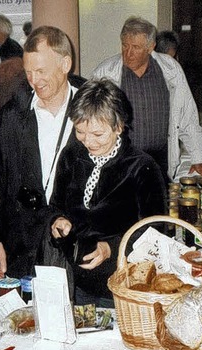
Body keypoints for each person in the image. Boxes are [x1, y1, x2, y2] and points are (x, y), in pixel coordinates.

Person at [49, 78, 167, 306]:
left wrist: (110, 248)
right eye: (80, 132)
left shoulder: (142, 167)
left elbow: (154, 230)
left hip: (121, 284)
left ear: (119, 126)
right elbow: (55, 205)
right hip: (73, 279)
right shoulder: (71, 156)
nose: (88, 142)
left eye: (98, 134)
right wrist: (57, 220)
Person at [0, 26, 86, 280]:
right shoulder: (10, 117)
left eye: (41, 71)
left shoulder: (93, 111)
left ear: (65, 64)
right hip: (23, 244)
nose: (34, 80)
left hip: (77, 239)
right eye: (29, 72)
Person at [91, 16, 202, 181]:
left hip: (160, 158)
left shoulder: (170, 69)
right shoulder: (105, 73)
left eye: (136, 47)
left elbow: (186, 114)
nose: (128, 53)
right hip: (122, 160)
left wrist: (198, 156)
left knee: (159, 204)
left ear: (150, 47)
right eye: (125, 45)